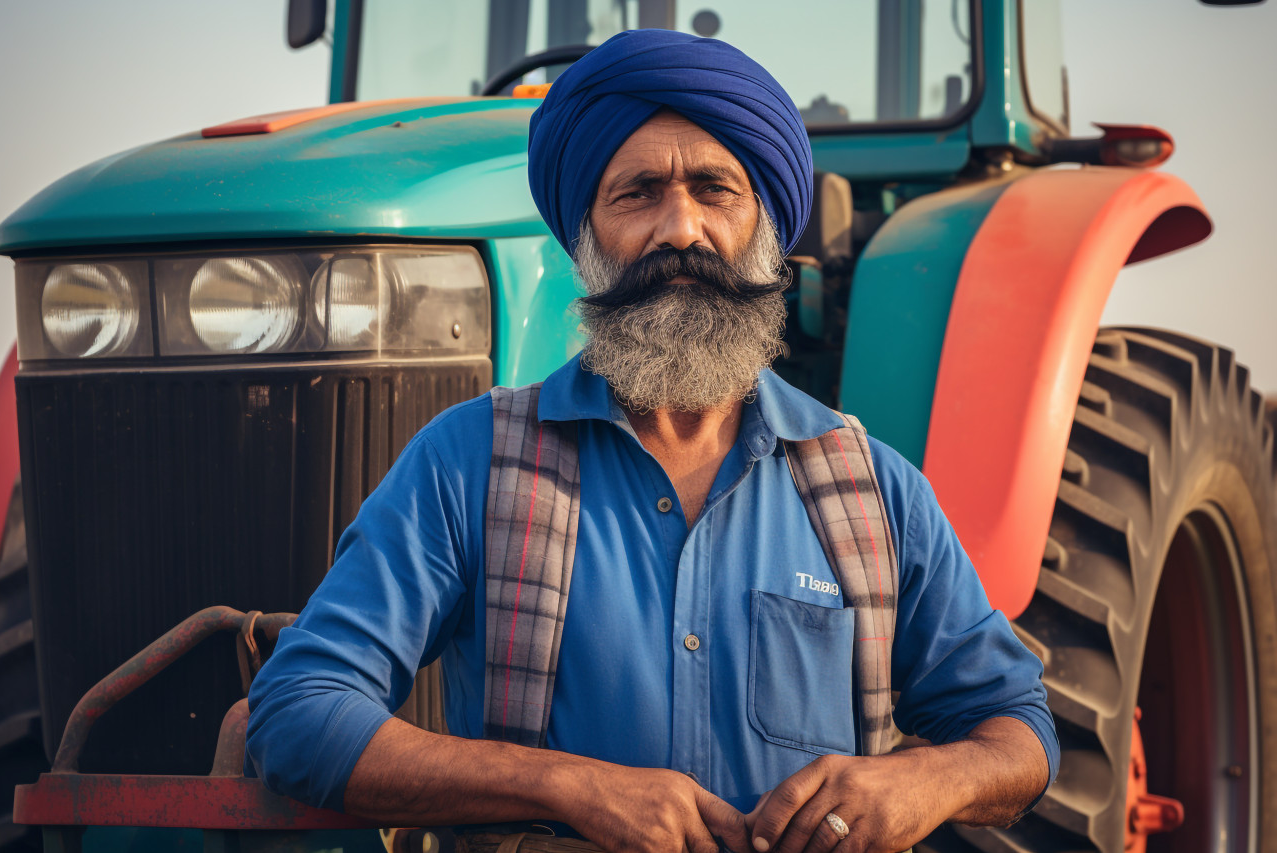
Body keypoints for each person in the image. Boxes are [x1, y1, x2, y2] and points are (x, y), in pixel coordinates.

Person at [246, 29, 1058, 853]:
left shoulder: (875, 492)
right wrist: (566, 783)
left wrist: (922, 779)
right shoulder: (469, 461)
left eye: (716, 189)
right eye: (636, 194)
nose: (681, 228)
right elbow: (298, 710)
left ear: (765, 225)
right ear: (586, 236)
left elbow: (1019, 730)